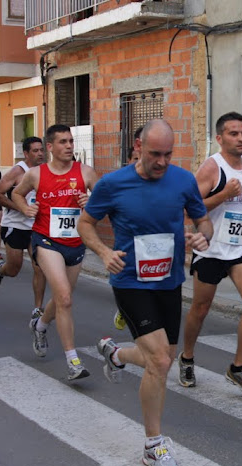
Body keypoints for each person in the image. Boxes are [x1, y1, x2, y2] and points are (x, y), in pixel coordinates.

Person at [79, 119, 212, 466]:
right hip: (130, 281)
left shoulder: (183, 180)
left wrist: (202, 237)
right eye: (155, 154)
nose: (162, 162)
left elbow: (204, 221)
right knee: (158, 360)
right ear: (138, 147)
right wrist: (104, 253)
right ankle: (154, 445)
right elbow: (84, 223)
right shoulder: (112, 184)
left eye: (169, 154)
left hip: (168, 281)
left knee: (165, 358)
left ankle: (116, 353)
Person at [181, 112, 242, 394]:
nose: (240, 138)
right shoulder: (210, 169)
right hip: (211, 249)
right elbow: (189, 208)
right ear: (219, 138)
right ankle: (187, 357)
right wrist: (223, 195)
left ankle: (238, 367)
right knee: (201, 309)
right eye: (233, 134)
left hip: (241, 246)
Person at [12, 124, 98, 381]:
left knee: (64, 297)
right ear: (50, 147)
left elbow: (107, 201)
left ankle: (40, 325)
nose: (69, 146)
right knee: (64, 296)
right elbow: (16, 193)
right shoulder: (37, 174)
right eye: (62, 141)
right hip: (46, 240)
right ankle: (73, 360)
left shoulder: (86, 172)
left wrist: (90, 203)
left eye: (71, 141)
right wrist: (25, 209)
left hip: (75, 243)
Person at [0, 137, 48, 325]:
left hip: (36, 227)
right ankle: (0, 270)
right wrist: (20, 207)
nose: (40, 154)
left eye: (41, 150)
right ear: (26, 153)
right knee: (14, 269)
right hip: (15, 225)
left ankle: (37, 309)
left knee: (40, 267)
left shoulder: (45, 171)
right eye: (35, 151)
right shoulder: (17, 171)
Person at [113, 126, 143, 331]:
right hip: (128, 253)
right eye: (134, 159)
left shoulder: (163, 182)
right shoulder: (118, 184)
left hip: (155, 256)